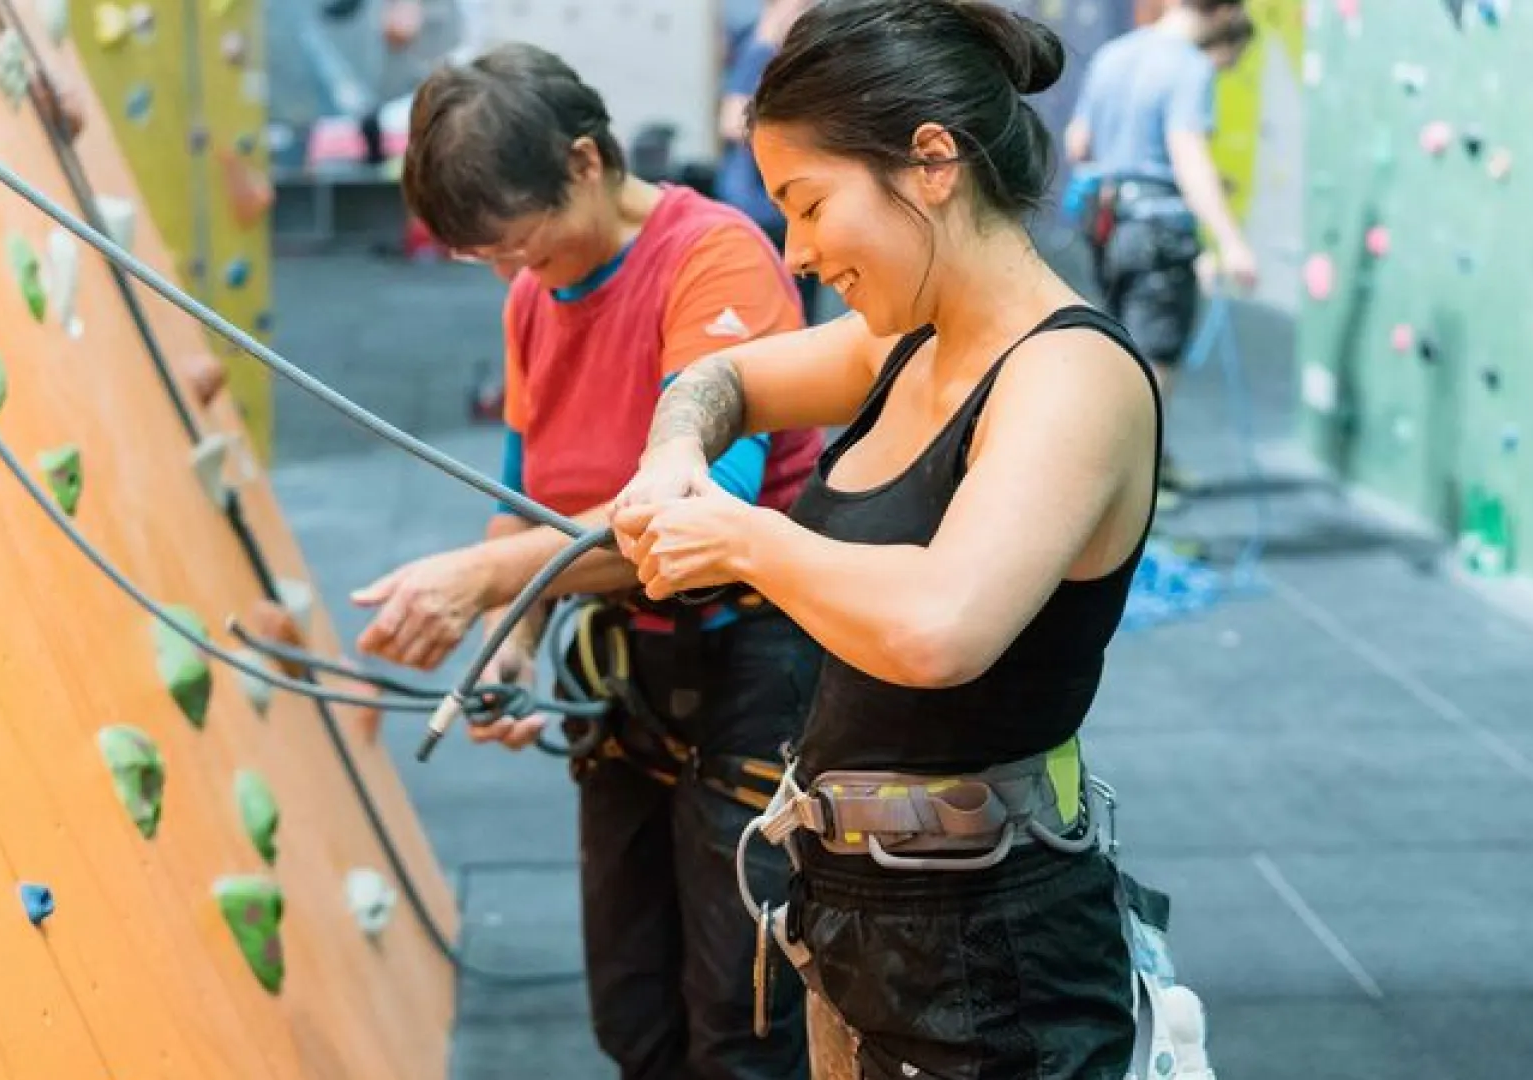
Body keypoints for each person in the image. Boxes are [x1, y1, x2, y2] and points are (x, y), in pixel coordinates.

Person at [609, 1, 1165, 1076]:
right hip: (857, 909)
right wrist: (674, 455)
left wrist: (743, 536)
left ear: (930, 163)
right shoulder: (904, 343)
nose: (798, 250)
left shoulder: (1070, 376)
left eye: (808, 204)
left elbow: (940, 628)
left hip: (995, 939)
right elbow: (720, 378)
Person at [348, 42, 826, 1080]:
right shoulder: (534, 298)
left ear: (584, 162)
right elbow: (523, 505)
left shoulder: (715, 261)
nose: (521, 277)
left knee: (742, 1022)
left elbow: (703, 511)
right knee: (632, 1009)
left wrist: (488, 581)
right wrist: (509, 644)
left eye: (526, 246)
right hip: (625, 668)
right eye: (493, 263)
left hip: (753, 661)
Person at [1063, 0, 1258, 512]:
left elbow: (1078, 144)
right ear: (1222, 13)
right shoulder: (1189, 66)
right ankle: (1134, 487)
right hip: (1158, 228)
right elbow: (1188, 156)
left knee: (1124, 347)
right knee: (1156, 360)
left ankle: (1143, 468)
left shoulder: (1113, 54)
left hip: (1106, 222)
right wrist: (1231, 241)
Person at [714, 0, 821, 321]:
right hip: (757, 207)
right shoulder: (759, 54)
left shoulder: (800, 59)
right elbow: (732, 121)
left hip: (794, 210)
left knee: (802, 314)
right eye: (798, 9)